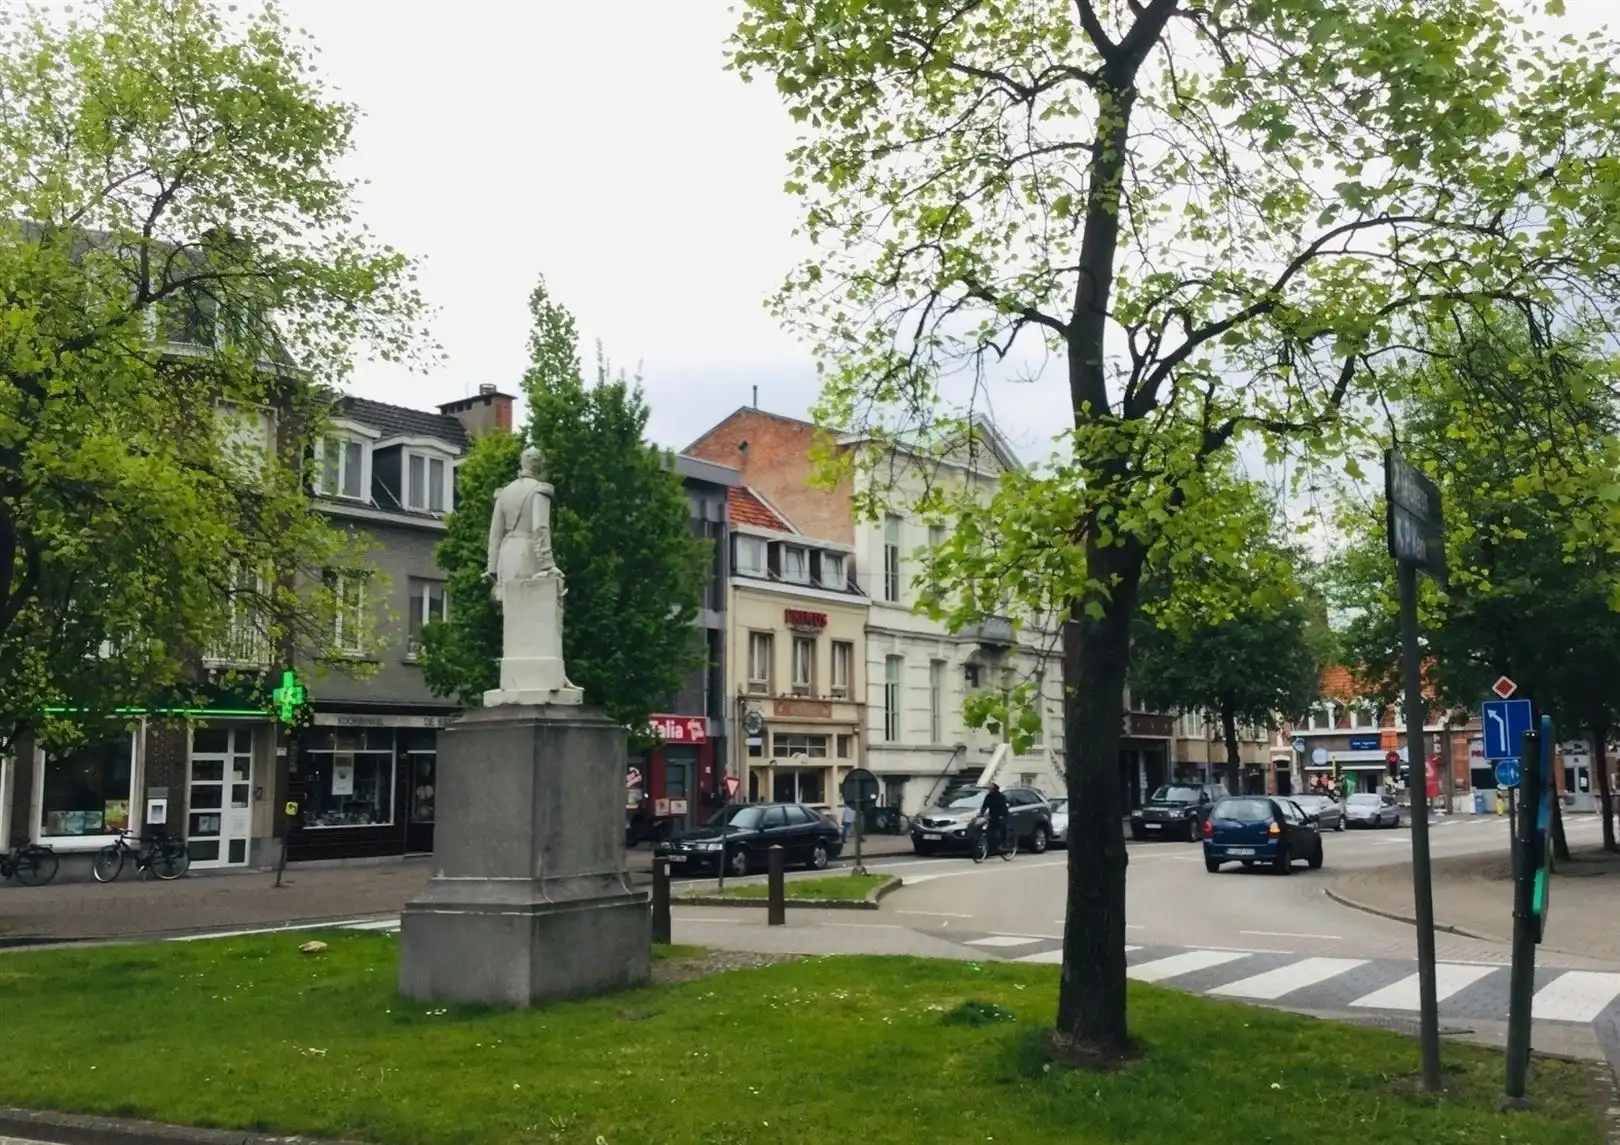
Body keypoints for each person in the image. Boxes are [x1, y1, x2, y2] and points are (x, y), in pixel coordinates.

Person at [983, 782, 1011, 853]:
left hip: (1001, 815)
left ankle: (1004, 843)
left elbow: (1003, 806)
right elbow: (984, 805)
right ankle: (991, 846)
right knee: (989, 831)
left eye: (990, 788)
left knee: (1002, 828)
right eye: (989, 788)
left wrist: (1003, 815)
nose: (989, 789)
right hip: (992, 815)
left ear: (994, 788)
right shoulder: (988, 796)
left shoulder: (1000, 796)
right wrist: (981, 813)